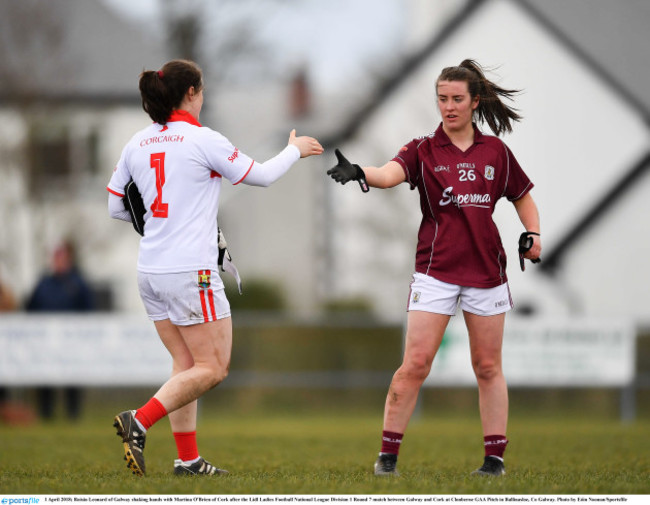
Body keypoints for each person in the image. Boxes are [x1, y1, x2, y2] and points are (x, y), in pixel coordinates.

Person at [106, 59, 323, 477]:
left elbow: (116, 205)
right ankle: (141, 420)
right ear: (191, 93)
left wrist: (160, 225)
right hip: (191, 272)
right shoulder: (202, 139)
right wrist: (295, 149)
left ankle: (187, 461)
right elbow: (258, 176)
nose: (203, 98)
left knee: (186, 365)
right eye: (202, 91)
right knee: (214, 367)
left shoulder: (137, 143)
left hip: (150, 269)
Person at [327, 59, 541, 477]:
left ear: (475, 101)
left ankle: (493, 461)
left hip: (486, 273)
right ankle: (387, 459)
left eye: (457, 99)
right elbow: (390, 174)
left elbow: (523, 196)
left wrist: (533, 234)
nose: (448, 106)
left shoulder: (496, 151)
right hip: (435, 272)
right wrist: (359, 173)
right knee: (416, 364)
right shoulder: (423, 149)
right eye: (442, 98)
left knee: (488, 367)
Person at [25, 240, 95, 420]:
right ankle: (46, 414)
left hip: (71, 342)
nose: (57, 262)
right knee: (45, 378)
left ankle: (73, 414)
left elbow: (89, 310)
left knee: (72, 378)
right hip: (45, 341)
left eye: (61, 257)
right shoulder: (43, 283)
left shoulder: (78, 283)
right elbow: (30, 308)